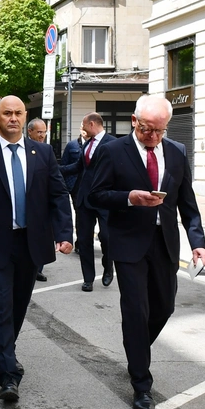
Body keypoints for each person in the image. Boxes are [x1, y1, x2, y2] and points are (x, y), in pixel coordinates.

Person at [89, 95, 205, 409]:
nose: (153, 137)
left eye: (160, 131)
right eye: (147, 130)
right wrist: (128, 198)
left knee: (164, 308)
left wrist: (198, 242)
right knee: (136, 311)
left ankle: (136, 350)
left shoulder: (177, 152)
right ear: (134, 121)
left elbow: (188, 203)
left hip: (164, 243)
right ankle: (141, 383)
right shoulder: (112, 151)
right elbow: (94, 194)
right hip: (128, 243)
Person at [0, 96, 73, 403]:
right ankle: (8, 374)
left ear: (25, 116)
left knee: (18, 305)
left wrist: (64, 233)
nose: (12, 118)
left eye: (18, 113)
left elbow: (58, 195)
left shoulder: (43, 152)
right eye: (6, 113)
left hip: (30, 242)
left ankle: (6, 352)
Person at [62, 113, 116, 292]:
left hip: (105, 200)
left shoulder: (113, 143)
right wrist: (54, 169)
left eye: (84, 124)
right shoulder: (86, 144)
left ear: (92, 124)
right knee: (84, 240)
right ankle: (88, 279)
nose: (82, 128)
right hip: (84, 198)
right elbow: (78, 167)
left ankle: (108, 267)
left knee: (107, 238)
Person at [26, 118, 49, 281]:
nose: (42, 135)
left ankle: (37, 268)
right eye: (39, 132)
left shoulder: (46, 150)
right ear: (30, 132)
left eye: (44, 132)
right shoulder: (24, 149)